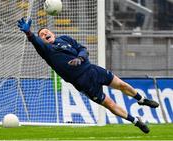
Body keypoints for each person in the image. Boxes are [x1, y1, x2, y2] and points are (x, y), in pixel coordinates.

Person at [17, 18, 159, 133]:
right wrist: (29, 32)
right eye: (42, 34)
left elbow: (82, 49)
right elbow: (34, 40)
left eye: (47, 32)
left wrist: (80, 58)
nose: (44, 34)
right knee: (109, 103)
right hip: (82, 82)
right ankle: (135, 121)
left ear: (53, 34)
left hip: (92, 69)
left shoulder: (65, 39)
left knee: (121, 84)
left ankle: (141, 99)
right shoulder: (45, 50)